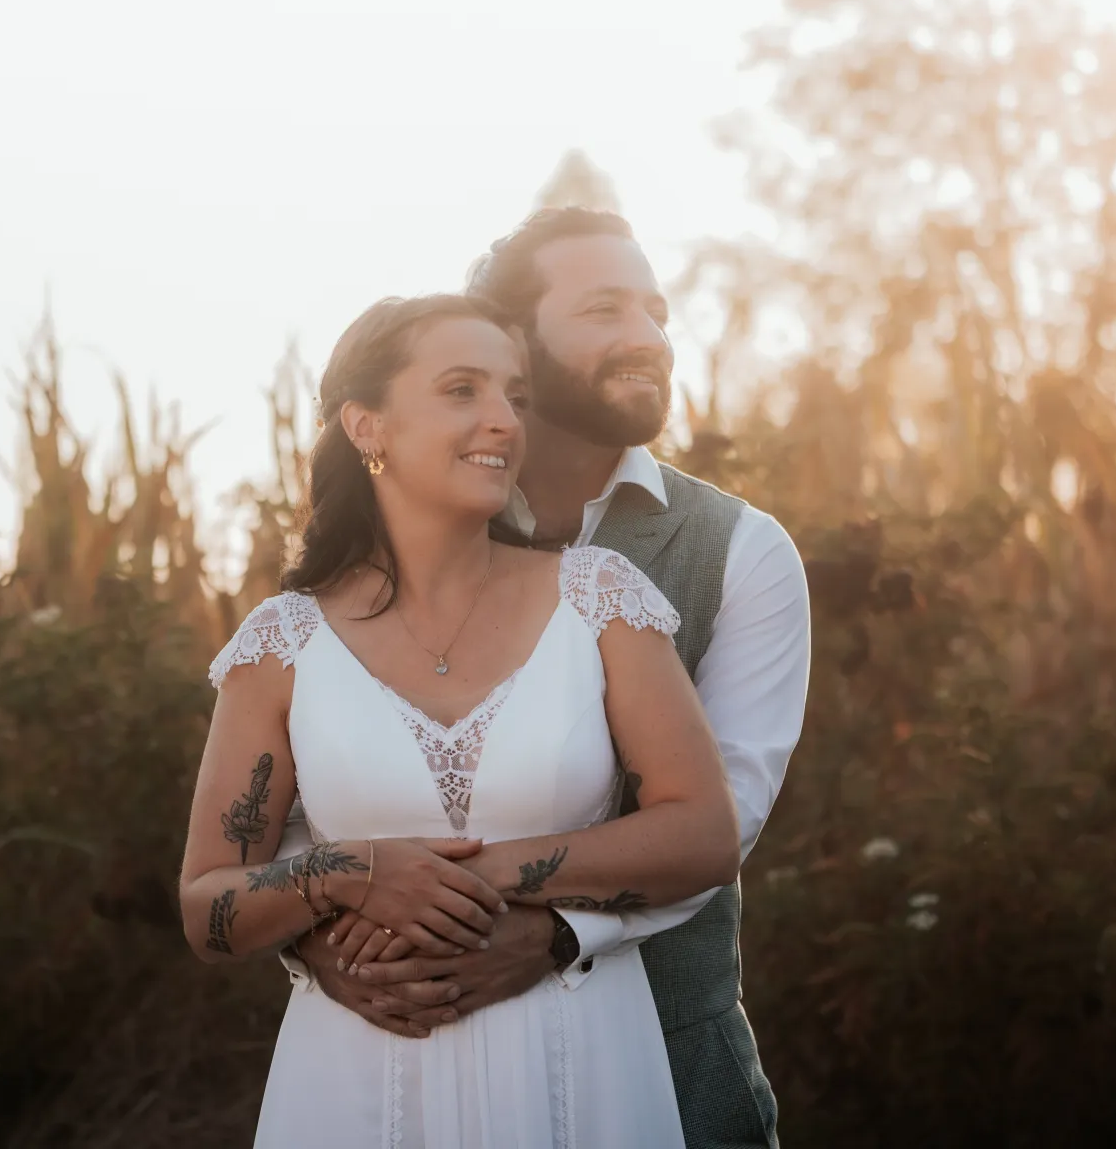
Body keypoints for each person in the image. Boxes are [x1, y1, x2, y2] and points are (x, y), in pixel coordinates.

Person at [275, 209, 811, 1147]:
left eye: (657, 311)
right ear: (508, 338)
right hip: (395, 1043)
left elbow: (725, 814)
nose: (648, 337)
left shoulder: (742, 553)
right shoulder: (381, 551)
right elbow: (288, 812)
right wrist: (321, 945)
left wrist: (560, 933)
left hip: (670, 1062)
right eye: (605, 308)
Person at [179, 291, 741, 1146]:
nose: (504, 421)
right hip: (357, 1085)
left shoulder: (599, 600)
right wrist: (348, 872)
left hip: (577, 1067)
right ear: (367, 426)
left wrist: (453, 880)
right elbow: (207, 904)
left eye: (514, 395)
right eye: (461, 390)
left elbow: (703, 835)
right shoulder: (281, 645)